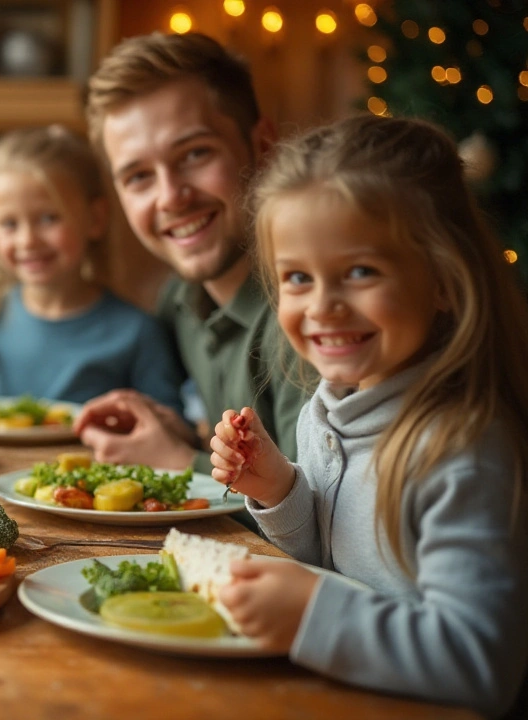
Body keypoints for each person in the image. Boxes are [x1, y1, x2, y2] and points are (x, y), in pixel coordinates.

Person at [209, 116, 528, 717]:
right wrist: (280, 489)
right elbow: (337, 560)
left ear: (442, 280)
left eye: (360, 272)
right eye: (298, 277)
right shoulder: (325, 410)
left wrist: (309, 613)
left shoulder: (461, 452)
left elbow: (481, 662)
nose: (324, 306)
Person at [74, 32, 307, 474]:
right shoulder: (177, 301)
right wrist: (173, 432)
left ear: (264, 147)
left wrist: (178, 462)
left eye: (195, 153)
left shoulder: (308, 313)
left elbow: (322, 516)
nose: (171, 197)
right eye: (139, 176)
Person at [0, 125, 183, 408]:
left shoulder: (137, 332)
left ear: (95, 219)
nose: (27, 241)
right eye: (9, 224)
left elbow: (169, 427)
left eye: (49, 218)